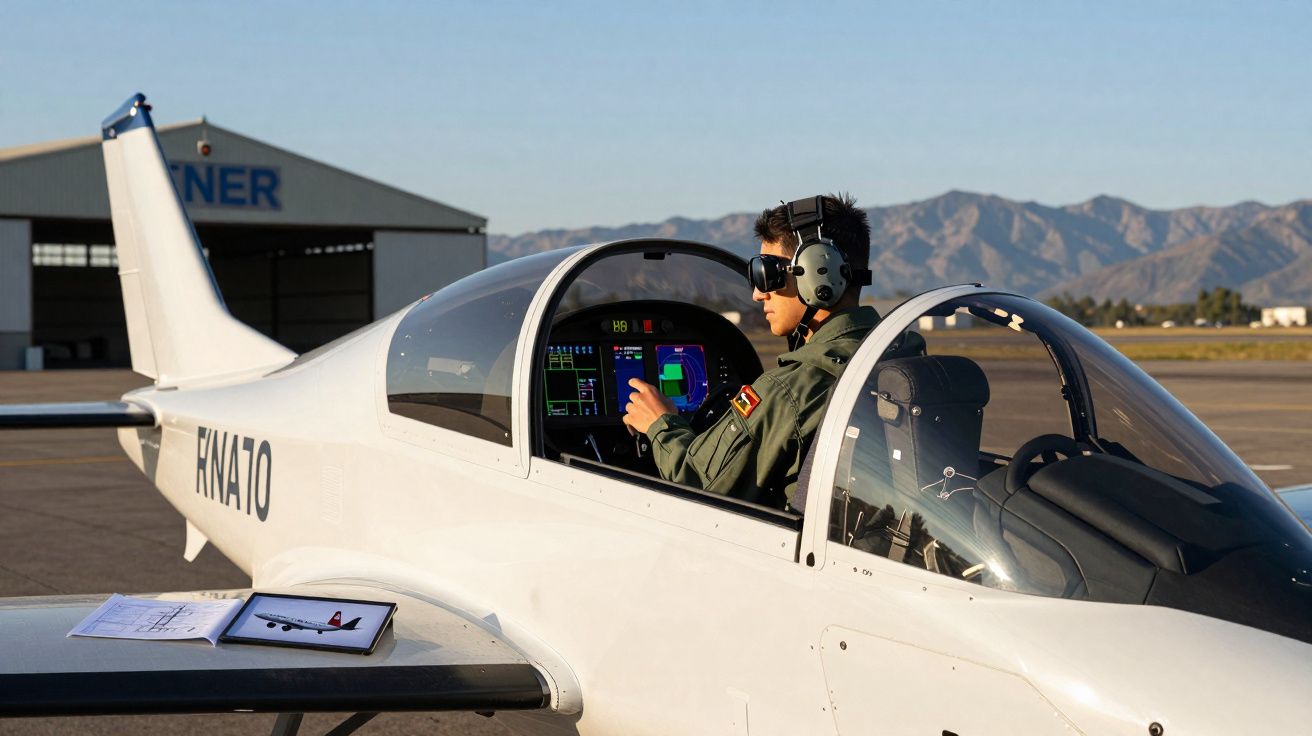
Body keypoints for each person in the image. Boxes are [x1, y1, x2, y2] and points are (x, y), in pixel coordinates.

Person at [621, 193, 882, 512]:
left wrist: (659, 423)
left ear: (818, 271)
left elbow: (699, 486)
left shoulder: (791, 390)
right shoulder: (895, 352)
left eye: (768, 273)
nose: (759, 294)